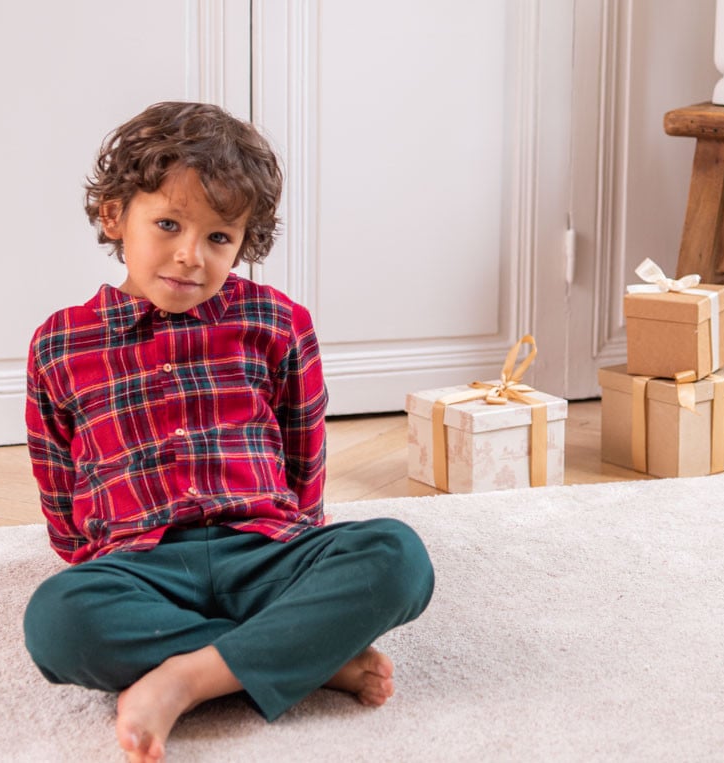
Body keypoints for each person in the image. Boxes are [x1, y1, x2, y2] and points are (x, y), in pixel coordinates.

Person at [22, 101, 435, 763]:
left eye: (219, 238)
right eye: (167, 224)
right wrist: (92, 560)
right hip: (140, 566)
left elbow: (304, 455)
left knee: (399, 557)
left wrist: (298, 548)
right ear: (113, 216)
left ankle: (187, 676)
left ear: (244, 242)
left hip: (264, 551)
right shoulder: (60, 343)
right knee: (56, 621)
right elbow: (60, 483)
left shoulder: (277, 321)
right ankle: (305, 653)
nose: (190, 256)